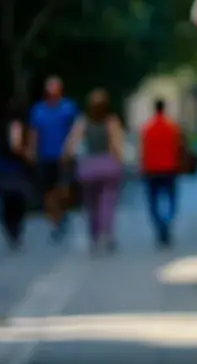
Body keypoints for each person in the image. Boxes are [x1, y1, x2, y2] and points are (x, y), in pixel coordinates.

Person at [63, 89, 126, 253]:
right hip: (108, 166)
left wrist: (68, 158)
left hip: (89, 168)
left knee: (91, 204)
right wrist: (120, 162)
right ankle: (107, 233)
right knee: (108, 202)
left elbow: (71, 145)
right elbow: (117, 145)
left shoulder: (83, 122)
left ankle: (94, 235)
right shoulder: (111, 121)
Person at [27, 76, 77, 243]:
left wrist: (71, 148)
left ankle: (63, 212)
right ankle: (56, 221)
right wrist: (32, 150)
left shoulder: (68, 108)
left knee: (64, 189)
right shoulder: (38, 110)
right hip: (45, 155)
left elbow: (75, 130)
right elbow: (34, 132)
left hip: (64, 156)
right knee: (49, 192)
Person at [140, 98, 183, 247]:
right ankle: (167, 221)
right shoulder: (172, 127)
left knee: (153, 201)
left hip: (152, 169)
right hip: (169, 168)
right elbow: (178, 147)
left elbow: (144, 150)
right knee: (171, 199)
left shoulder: (147, 128)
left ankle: (160, 224)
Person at [0, 100, 34, 250]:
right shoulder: (16, 125)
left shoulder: (2, 126)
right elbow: (16, 146)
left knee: (8, 201)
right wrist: (28, 156)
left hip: (4, 166)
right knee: (18, 200)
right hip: (15, 168)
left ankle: (11, 230)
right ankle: (15, 230)